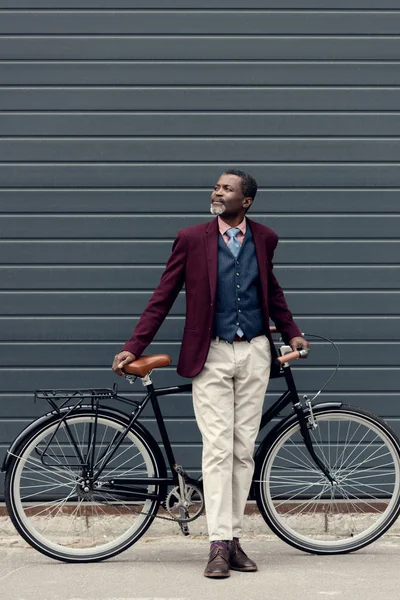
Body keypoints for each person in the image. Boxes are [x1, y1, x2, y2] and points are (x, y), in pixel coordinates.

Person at [112, 169, 309, 578]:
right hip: (212, 354)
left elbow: (270, 290)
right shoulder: (191, 238)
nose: (217, 192)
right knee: (218, 448)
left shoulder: (265, 238)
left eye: (226, 188)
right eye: (217, 186)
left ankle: (233, 539)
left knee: (241, 450)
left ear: (246, 201)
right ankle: (218, 543)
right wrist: (135, 344)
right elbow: (163, 296)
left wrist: (291, 332)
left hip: (254, 351)